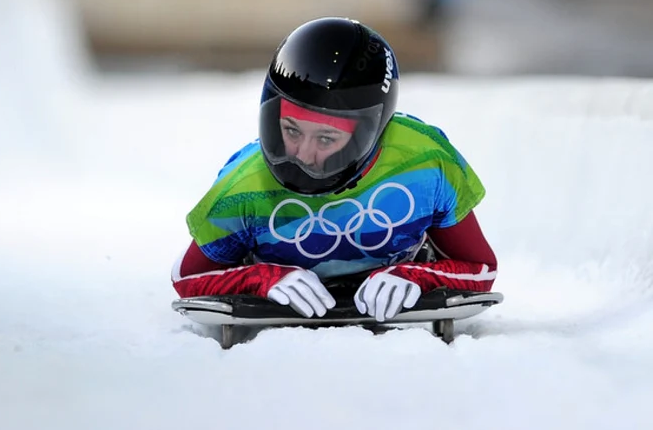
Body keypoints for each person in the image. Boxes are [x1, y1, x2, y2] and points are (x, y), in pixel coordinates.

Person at [171, 17, 497, 322]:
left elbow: (482, 266)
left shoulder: (427, 162)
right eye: (291, 130)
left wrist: (416, 276)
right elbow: (184, 277)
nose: (303, 155)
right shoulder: (243, 184)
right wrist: (261, 277)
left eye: (327, 138)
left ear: (371, 130)